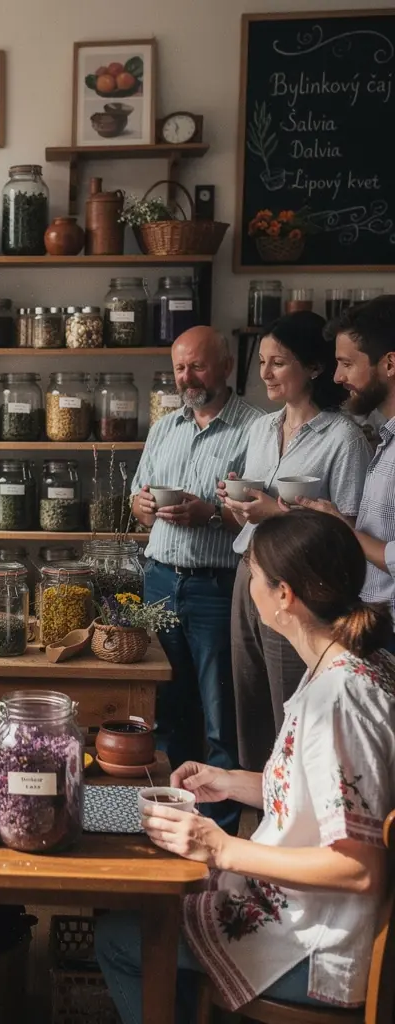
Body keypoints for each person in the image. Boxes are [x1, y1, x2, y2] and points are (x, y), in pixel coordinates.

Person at [95, 509, 395, 1024]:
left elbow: (359, 867)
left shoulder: (339, 698)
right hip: (308, 918)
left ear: (285, 596)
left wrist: (221, 847)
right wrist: (231, 783)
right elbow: (325, 795)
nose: (246, 586)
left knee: (124, 933)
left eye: (253, 574)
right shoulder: (347, 665)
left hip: (318, 948)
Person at [217, 311, 371, 771]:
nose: (264, 373)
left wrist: (275, 513)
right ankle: (256, 804)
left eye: (278, 362)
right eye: (263, 361)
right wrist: (235, 502)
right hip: (250, 570)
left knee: (292, 699)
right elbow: (246, 509)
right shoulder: (260, 429)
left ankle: (296, 795)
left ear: (316, 368)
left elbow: (348, 531)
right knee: (248, 698)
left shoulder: (344, 437)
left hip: (301, 583)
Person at [130, 326, 263, 833]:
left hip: (217, 587)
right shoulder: (165, 426)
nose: (187, 378)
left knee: (219, 716)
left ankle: (219, 835)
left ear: (226, 367)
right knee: (167, 708)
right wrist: (142, 507)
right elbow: (140, 505)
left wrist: (210, 514)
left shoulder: (256, 428)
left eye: (198, 367)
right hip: (160, 581)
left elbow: (259, 518)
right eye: (180, 368)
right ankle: (173, 819)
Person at [293, 297, 395, 629]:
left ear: (390, 364)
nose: (337, 377)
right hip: (373, 616)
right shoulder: (385, 437)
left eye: (347, 364)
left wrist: (343, 528)